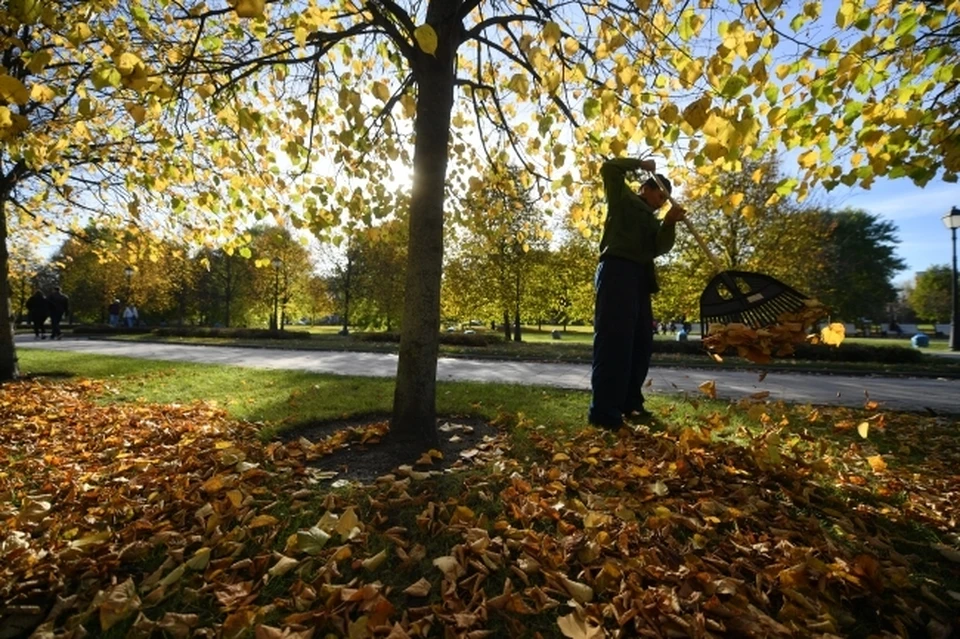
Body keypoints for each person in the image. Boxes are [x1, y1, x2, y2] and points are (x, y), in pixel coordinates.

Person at [589, 157, 686, 430]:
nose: (661, 201)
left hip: (640, 280)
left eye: (666, 199)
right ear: (646, 188)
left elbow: (658, 248)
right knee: (614, 342)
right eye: (660, 194)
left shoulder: (653, 221)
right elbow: (609, 168)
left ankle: (631, 403)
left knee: (640, 344)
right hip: (616, 271)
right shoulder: (623, 199)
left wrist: (668, 223)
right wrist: (640, 164)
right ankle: (604, 412)